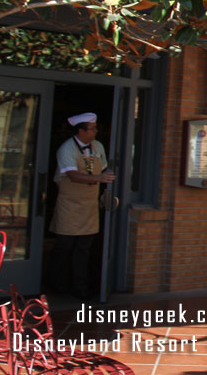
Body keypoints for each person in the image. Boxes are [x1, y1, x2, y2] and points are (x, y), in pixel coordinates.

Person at [49, 112, 114, 299]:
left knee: (83, 249)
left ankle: (81, 287)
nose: (96, 132)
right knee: (65, 246)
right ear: (80, 130)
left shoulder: (98, 147)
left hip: (89, 206)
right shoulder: (66, 149)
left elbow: (102, 167)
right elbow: (72, 175)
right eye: (92, 129)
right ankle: (57, 282)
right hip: (69, 205)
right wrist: (98, 178)